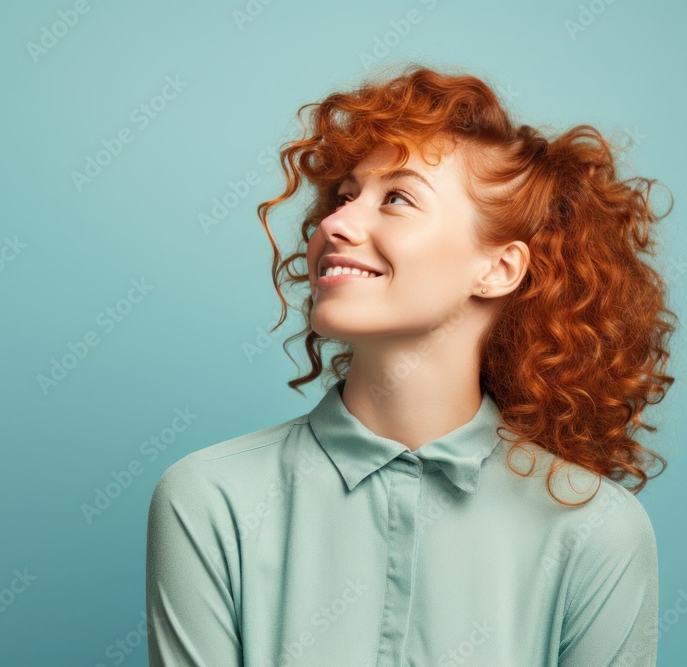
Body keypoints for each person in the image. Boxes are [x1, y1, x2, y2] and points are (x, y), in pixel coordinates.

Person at [145, 63, 677, 666]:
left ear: (499, 268)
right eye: (345, 196)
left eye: (396, 198)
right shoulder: (209, 499)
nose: (335, 223)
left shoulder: (595, 530)